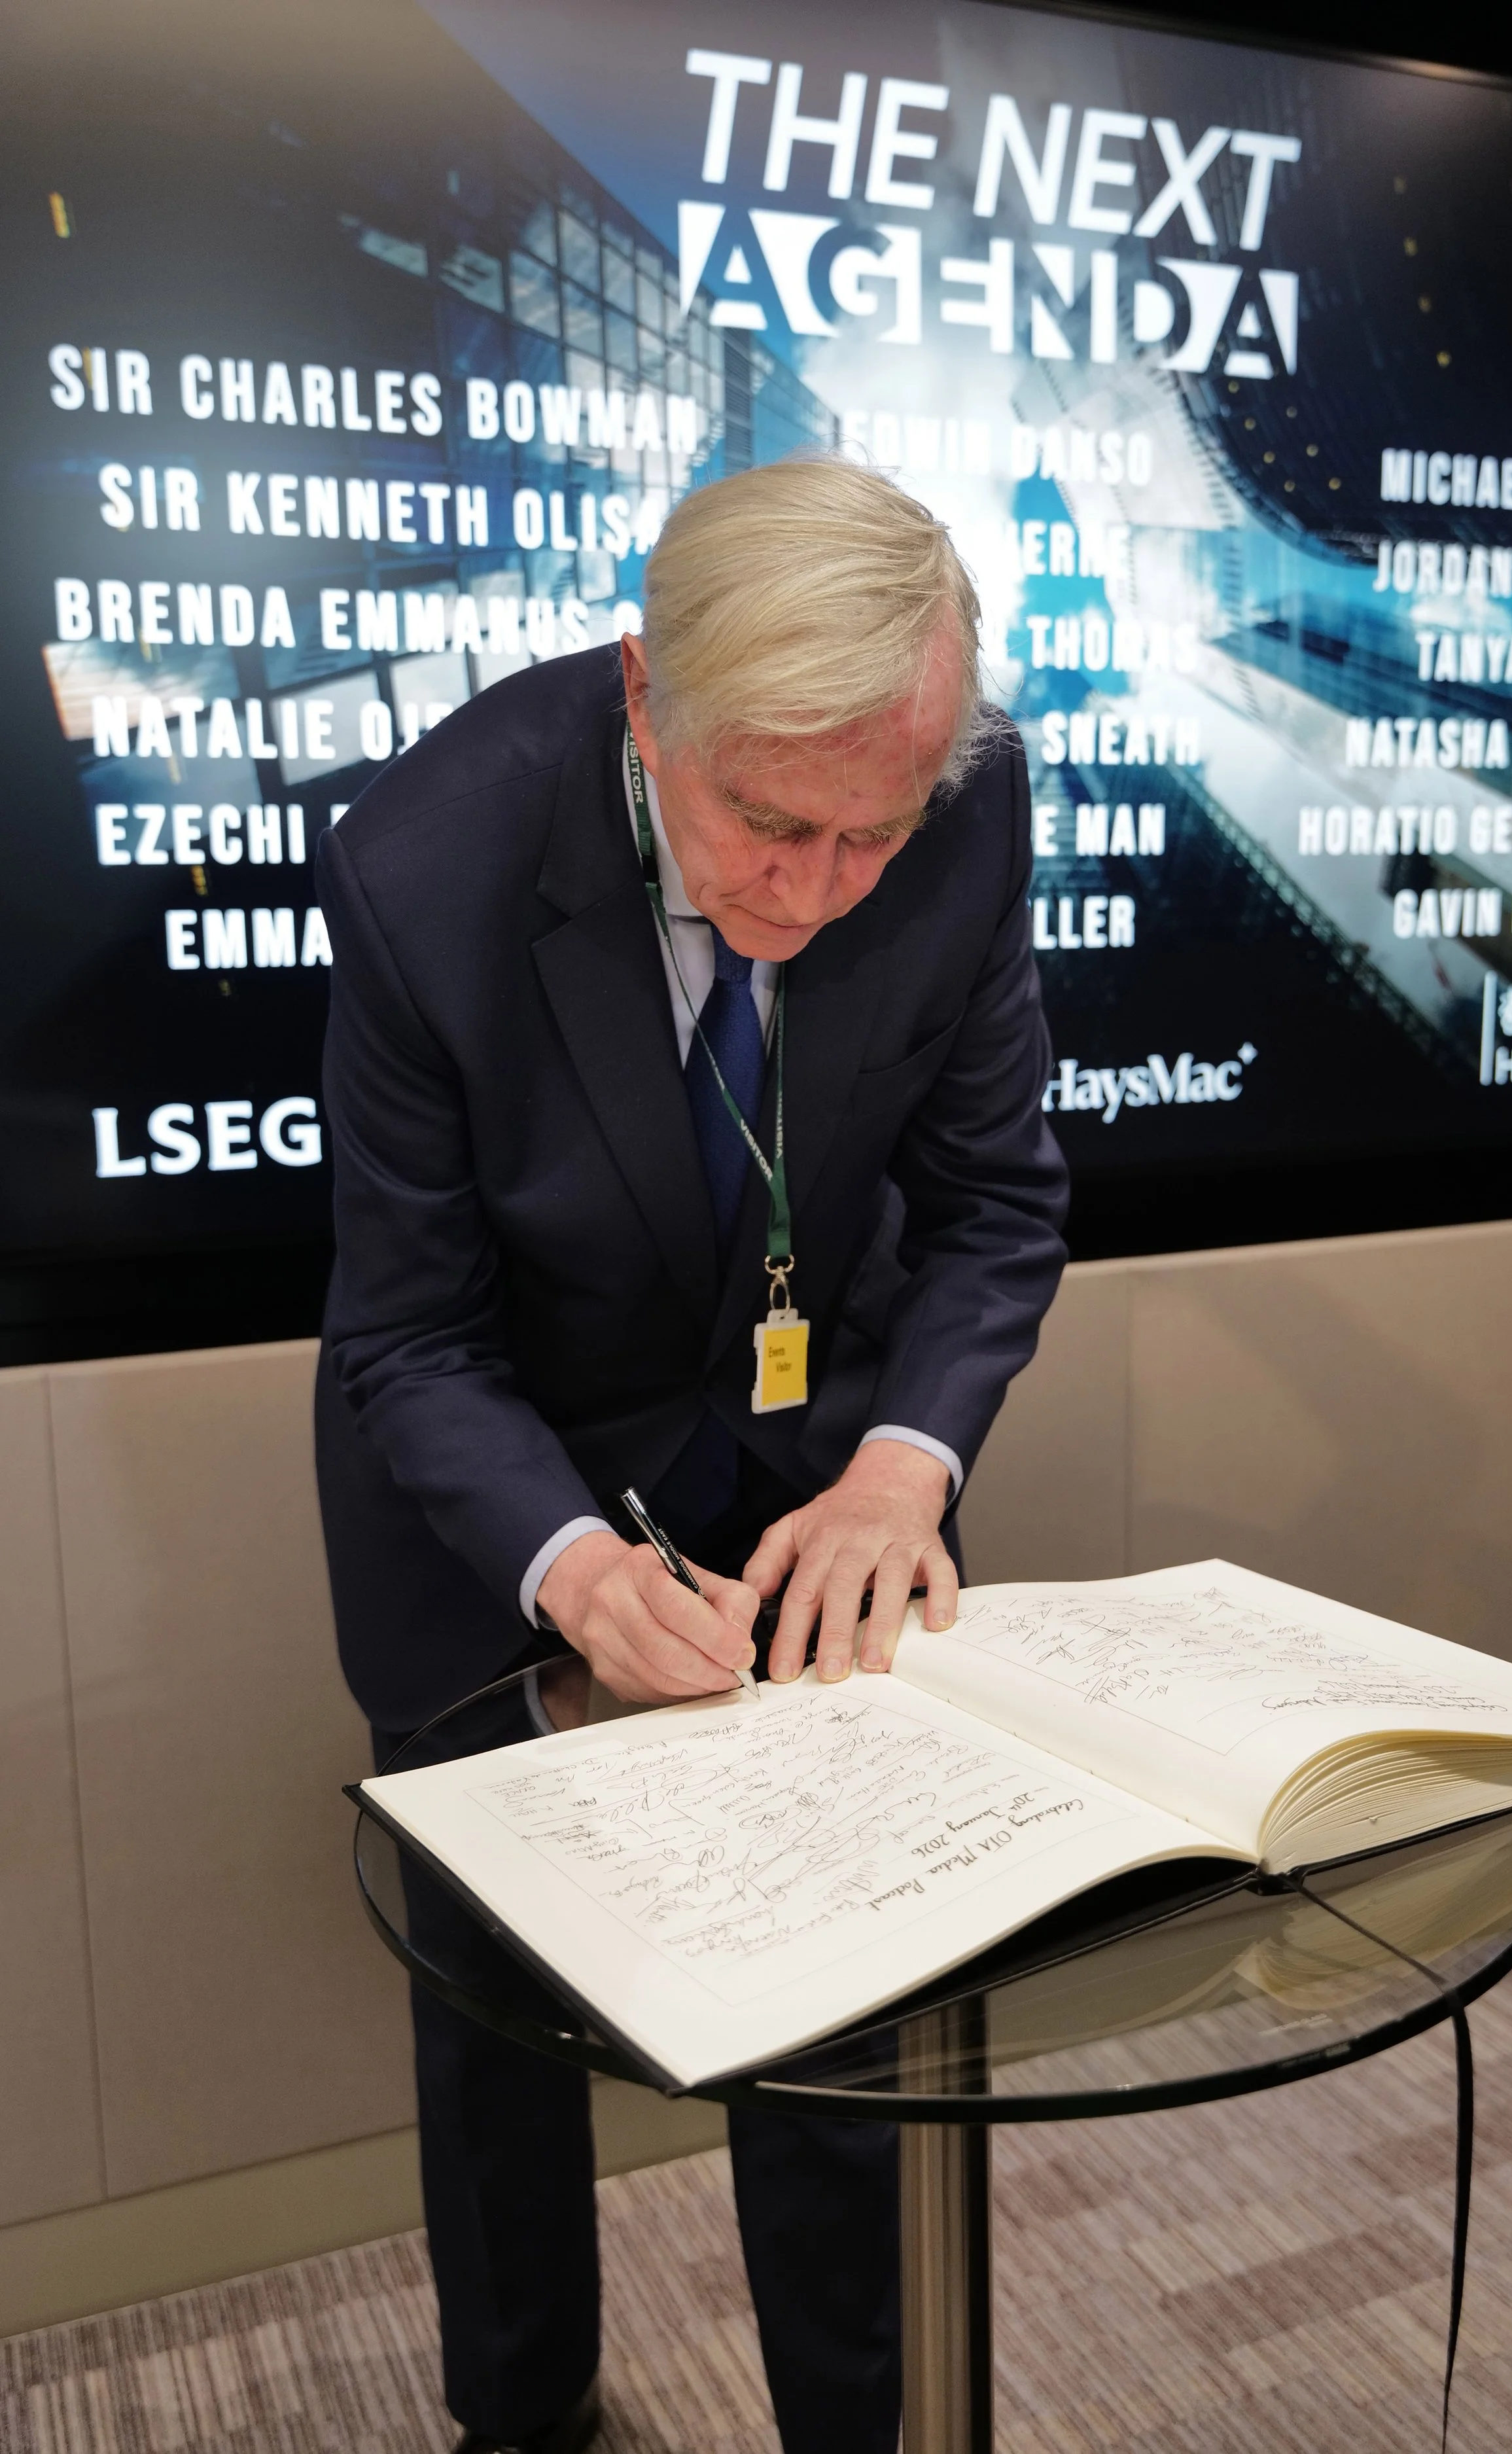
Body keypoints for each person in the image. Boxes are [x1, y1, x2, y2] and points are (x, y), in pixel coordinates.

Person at [313, 456, 1068, 2454]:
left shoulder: (970, 813)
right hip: (495, 1493)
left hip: (808, 1473)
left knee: (836, 2001)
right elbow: (406, 1333)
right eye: (766, 822)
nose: (815, 894)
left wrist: (903, 1464)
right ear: (648, 698)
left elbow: (995, 1205)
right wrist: (567, 1565)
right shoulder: (426, 862)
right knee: (497, 2023)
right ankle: (526, 2413)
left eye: (869, 836)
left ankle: (854, 2420)